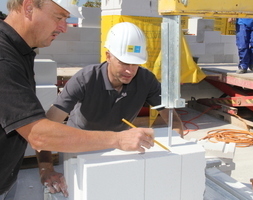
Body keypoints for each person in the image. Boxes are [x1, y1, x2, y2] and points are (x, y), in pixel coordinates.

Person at [0, 1, 155, 199]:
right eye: (58, 17)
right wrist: (118, 139)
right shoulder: (4, 57)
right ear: (29, 7)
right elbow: (39, 135)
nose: (64, 28)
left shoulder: (19, 52)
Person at [40, 22, 184, 194]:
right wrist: (46, 169)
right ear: (108, 56)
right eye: (124, 62)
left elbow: (172, 119)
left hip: (118, 145)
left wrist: (178, 152)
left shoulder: (146, 80)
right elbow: (44, 130)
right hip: (79, 146)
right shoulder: (85, 80)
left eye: (135, 64)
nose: (130, 71)